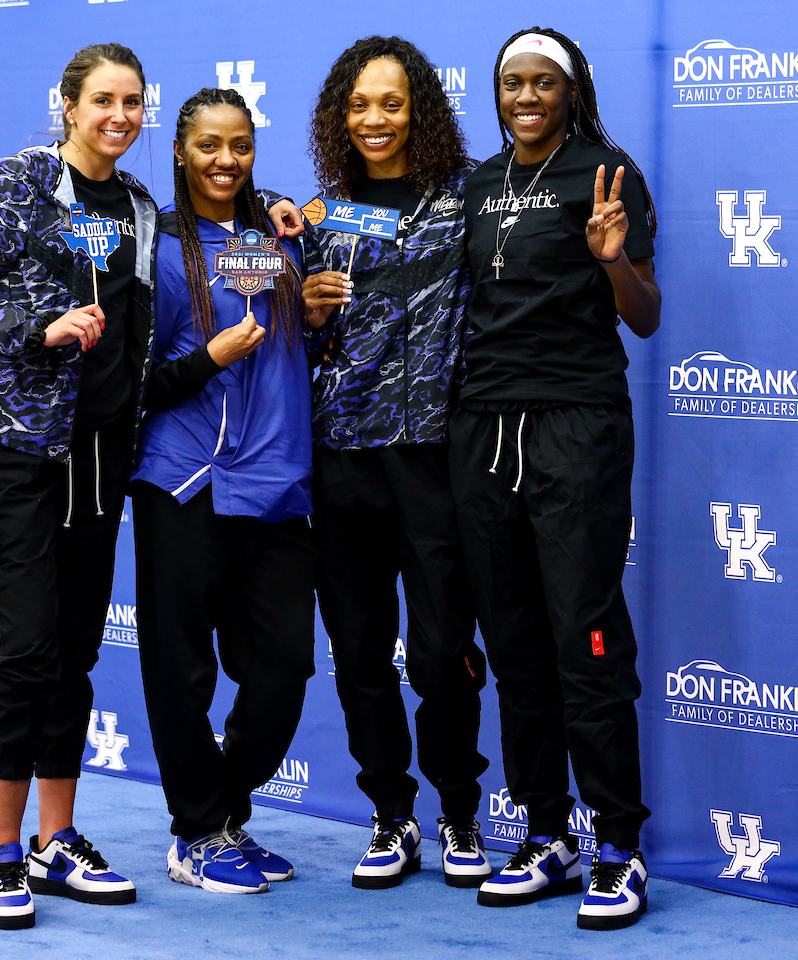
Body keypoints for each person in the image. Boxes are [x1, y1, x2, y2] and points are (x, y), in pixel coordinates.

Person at [0, 45, 301, 929]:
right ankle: (5, 853)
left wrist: (281, 211)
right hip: (14, 447)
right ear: (68, 104)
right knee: (26, 652)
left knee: (76, 654)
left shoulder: (136, 207)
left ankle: (58, 841)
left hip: (100, 453)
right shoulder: (20, 178)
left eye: (131, 102)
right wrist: (38, 326)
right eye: (103, 100)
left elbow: (228, 214)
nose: (118, 116)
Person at [449, 28, 661, 929]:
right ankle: (546, 831)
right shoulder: (475, 184)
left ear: (572, 92)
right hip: (482, 425)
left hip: (576, 423)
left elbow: (646, 319)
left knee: (586, 635)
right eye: (510, 82)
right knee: (516, 642)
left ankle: (619, 842)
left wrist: (612, 257)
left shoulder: (606, 176)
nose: (525, 96)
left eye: (543, 83)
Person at [302, 36, 491, 890]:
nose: (374, 119)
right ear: (340, 117)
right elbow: (290, 332)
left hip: (436, 459)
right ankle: (390, 815)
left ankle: (458, 813)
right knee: (360, 649)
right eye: (358, 105)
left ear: (422, 109)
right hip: (342, 455)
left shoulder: (467, 199)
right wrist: (304, 308)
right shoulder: (320, 213)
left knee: (443, 647)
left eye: (391, 102)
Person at [129, 86, 315, 896]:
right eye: (208, 144)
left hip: (274, 483)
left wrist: (308, 305)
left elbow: (300, 344)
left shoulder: (280, 236)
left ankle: (220, 814)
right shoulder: (157, 249)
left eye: (239, 144)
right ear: (179, 150)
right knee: (182, 671)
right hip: (184, 480)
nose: (224, 160)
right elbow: (132, 384)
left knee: (284, 668)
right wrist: (210, 356)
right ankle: (198, 833)